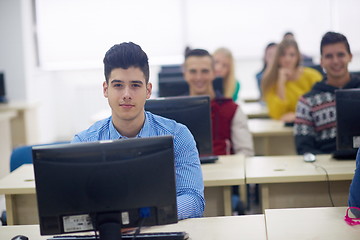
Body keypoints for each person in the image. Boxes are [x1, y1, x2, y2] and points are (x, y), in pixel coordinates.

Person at [71, 42, 205, 220]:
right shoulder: (83, 143)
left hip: (162, 230)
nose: (127, 94)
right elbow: (75, 208)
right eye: (118, 85)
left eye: (135, 85)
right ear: (105, 89)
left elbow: (193, 199)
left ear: (148, 90)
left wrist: (145, 216)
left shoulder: (178, 136)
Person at [183, 48, 254, 215]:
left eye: (205, 71)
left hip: (223, 187)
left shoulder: (232, 109)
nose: (199, 77)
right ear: (185, 73)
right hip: (183, 190)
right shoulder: (170, 113)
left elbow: (246, 154)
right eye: (193, 71)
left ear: (214, 73)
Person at [294, 32, 360, 154]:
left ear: (350, 57)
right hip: (326, 167)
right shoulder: (307, 102)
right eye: (329, 56)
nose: (335, 61)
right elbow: (304, 149)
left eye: (340, 55)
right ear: (322, 61)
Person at [261, 39, 322, 122]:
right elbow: (277, 114)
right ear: (277, 58)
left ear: (298, 57)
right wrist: (281, 83)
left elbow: (321, 106)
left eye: (292, 55)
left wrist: (297, 116)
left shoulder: (313, 76)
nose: (287, 59)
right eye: (283, 55)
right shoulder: (271, 80)